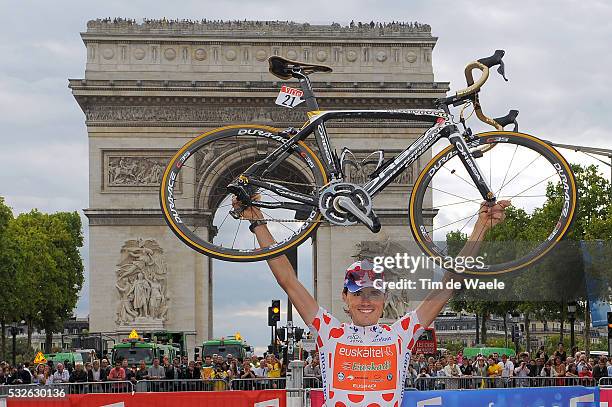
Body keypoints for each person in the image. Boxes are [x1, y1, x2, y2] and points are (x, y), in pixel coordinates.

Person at [235, 195, 511, 406]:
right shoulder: (330, 331)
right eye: (358, 293)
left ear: (385, 298)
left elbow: (449, 284)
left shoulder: (400, 333)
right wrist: (257, 221)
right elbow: (288, 280)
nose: (366, 301)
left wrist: (480, 228)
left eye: (374, 293)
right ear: (345, 298)